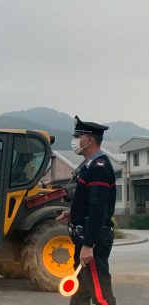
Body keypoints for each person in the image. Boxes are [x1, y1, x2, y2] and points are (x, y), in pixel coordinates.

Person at [56, 116, 116, 305]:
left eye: (78, 136)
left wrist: (89, 245)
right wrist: (73, 214)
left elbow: (99, 209)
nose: (74, 140)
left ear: (89, 140)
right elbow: (89, 203)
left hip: (93, 241)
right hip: (85, 238)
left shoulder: (98, 168)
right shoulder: (88, 167)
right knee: (80, 294)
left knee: (101, 295)